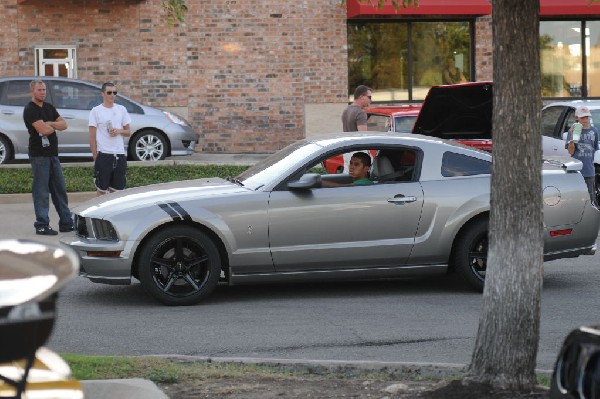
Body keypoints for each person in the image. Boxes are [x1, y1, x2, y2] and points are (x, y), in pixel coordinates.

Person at [23, 80, 73, 236]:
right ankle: (42, 225)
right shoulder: (30, 110)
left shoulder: (49, 107)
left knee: (60, 190)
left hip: (53, 155)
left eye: (44, 89)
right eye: (39, 90)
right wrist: (52, 126)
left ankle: (66, 223)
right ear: (33, 91)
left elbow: (64, 125)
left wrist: (50, 122)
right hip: (39, 156)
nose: (42, 92)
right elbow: (43, 130)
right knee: (41, 191)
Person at [88, 82, 132, 196]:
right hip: (104, 154)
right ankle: (97, 213)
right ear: (102, 94)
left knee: (116, 191)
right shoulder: (96, 111)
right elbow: (92, 136)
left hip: (119, 154)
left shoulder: (121, 109)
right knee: (102, 190)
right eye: (109, 92)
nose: (112, 95)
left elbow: (128, 132)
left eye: (114, 93)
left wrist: (119, 131)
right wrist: (95, 156)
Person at [565, 106, 599, 206]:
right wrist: (572, 136)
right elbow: (571, 152)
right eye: (582, 117)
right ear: (577, 118)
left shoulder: (594, 131)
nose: (585, 120)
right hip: (576, 171)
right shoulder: (573, 131)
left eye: (587, 117)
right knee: (576, 199)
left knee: (591, 198)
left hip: (589, 170)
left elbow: (595, 148)